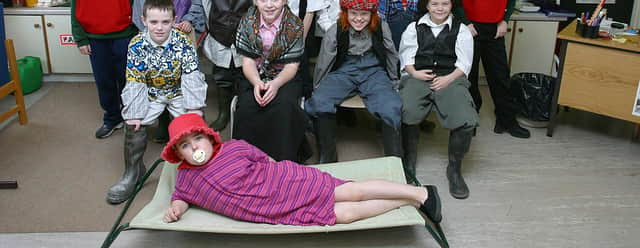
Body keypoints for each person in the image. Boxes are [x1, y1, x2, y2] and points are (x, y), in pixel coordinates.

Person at [161, 113, 443, 226]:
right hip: (275, 210)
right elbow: (182, 195)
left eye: (197, 138)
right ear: (179, 153)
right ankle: (409, 200)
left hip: (289, 183)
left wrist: (284, 174)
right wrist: (177, 207)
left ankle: (419, 192)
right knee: (343, 215)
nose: (194, 147)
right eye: (185, 145)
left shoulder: (234, 147)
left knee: (352, 192)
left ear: (209, 137)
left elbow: (269, 162)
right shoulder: (188, 178)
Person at [107, 0, 207, 204]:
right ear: (144, 20)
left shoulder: (183, 42)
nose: (159, 28)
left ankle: (198, 171)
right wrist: (134, 114)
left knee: (194, 122)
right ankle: (132, 172)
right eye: (153, 22)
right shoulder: (136, 44)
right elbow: (135, 80)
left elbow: (191, 75)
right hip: (150, 92)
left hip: (178, 90)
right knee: (133, 123)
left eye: (165, 22)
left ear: (174, 20)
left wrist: (194, 108)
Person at [305, 0, 402, 163]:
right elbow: (325, 58)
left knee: (392, 106)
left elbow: (391, 53)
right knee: (319, 102)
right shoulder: (336, 30)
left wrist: (394, 82)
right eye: (354, 13)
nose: (359, 18)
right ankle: (328, 158)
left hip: (373, 69)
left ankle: (395, 162)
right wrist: (318, 86)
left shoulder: (381, 27)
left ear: (372, 14)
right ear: (345, 13)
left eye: (364, 14)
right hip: (344, 70)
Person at [450, 0, 530, 139]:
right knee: (470, 77)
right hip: (470, 30)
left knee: (500, 76)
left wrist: (504, 20)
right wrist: (466, 23)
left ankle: (507, 119)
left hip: (495, 29)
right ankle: (470, 119)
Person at [399, 0, 478, 199]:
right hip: (419, 76)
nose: (440, 8)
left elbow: (465, 63)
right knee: (406, 110)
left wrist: (448, 79)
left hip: (451, 77)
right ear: (427, 5)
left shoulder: (461, 30)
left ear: (452, 5)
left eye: (445, 3)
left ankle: (454, 169)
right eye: (435, 4)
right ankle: (409, 161)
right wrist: (414, 74)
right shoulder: (414, 27)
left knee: (465, 118)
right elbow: (406, 57)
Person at [68, 0, 140, 139]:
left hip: (125, 36)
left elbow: (138, 5)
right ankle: (112, 117)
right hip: (95, 38)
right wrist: (80, 38)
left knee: (128, 79)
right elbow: (75, 7)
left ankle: (131, 117)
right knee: (104, 80)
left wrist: (138, 36)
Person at [233, 0, 308, 162]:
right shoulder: (247, 21)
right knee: (248, 107)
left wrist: (274, 85)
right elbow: (248, 62)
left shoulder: (295, 25)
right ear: (255, 0)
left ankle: (283, 162)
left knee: (284, 107)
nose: (269, 5)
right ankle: (247, 161)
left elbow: (292, 66)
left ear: (284, 0)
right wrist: (257, 82)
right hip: (255, 74)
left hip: (284, 76)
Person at [200, 0, 255, 131]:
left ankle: (242, 112)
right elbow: (207, 8)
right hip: (219, 37)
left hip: (244, 39)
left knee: (243, 74)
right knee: (221, 75)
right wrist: (216, 28)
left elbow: (256, 10)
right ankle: (223, 113)